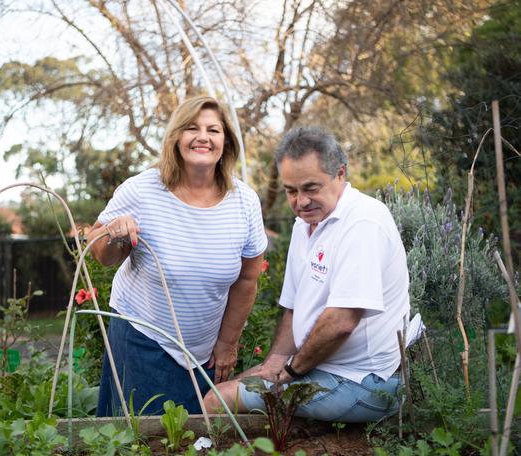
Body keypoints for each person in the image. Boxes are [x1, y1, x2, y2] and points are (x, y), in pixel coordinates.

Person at [204, 127, 409, 423]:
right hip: (322, 368)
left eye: (311, 188)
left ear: (340, 174)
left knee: (215, 401)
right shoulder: (306, 224)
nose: (300, 202)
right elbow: (294, 309)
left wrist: (290, 372)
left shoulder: (363, 222)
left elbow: (341, 322)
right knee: (222, 387)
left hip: (364, 383)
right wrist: (274, 361)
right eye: (291, 190)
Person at [87, 96, 267, 416]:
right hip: (143, 337)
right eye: (191, 128)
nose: (202, 137)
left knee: (195, 444)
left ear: (225, 142)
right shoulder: (142, 190)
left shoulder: (244, 201)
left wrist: (227, 344)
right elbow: (100, 253)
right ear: (176, 138)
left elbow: (248, 278)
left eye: (213, 129)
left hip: (205, 349)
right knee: (146, 444)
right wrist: (114, 234)